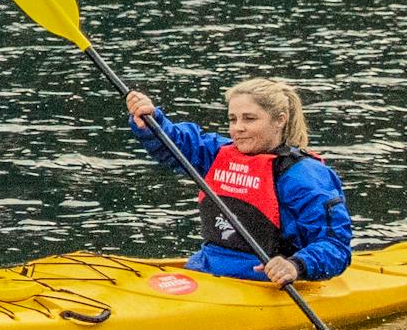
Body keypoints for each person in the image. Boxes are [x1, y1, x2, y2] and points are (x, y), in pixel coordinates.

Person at [122, 76, 352, 287]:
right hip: (206, 268)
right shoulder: (217, 154)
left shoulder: (304, 176)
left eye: (249, 119)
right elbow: (177, 143)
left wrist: (295, 265)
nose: (238, 128)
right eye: (233, 119)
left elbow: (336, 247)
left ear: (279, 120)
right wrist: (151, 121)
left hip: (262, 283)